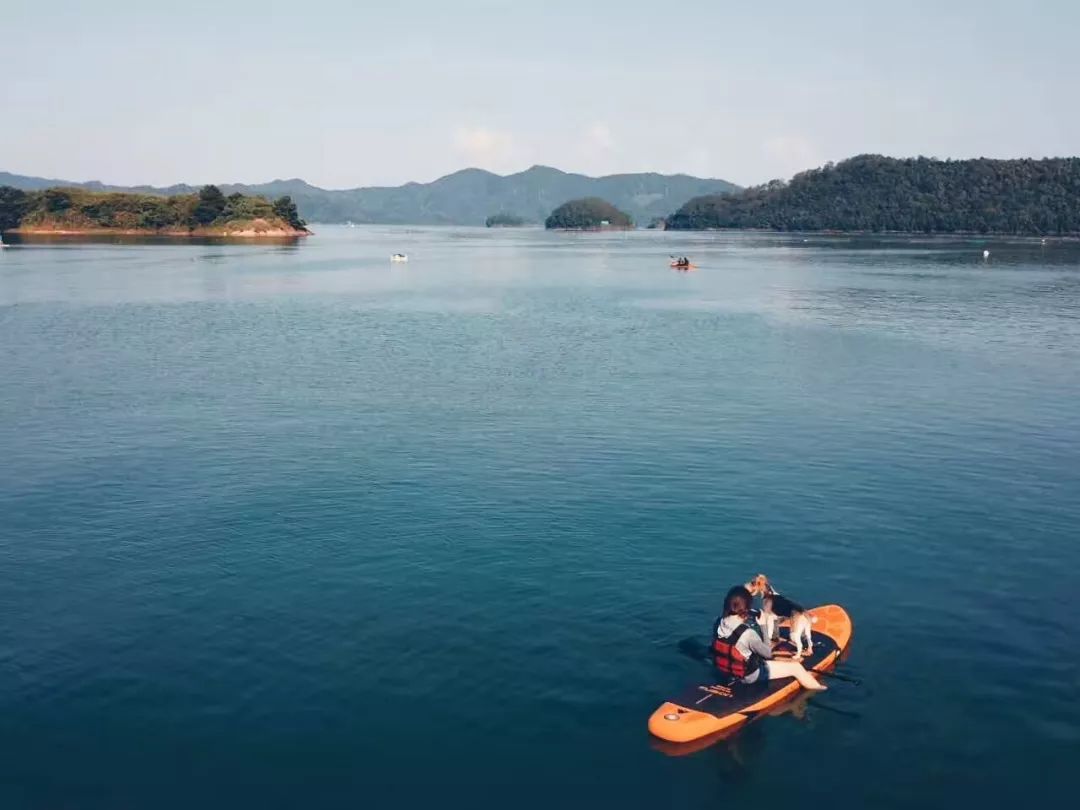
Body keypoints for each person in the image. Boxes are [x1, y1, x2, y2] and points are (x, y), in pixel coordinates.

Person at [712, 585, 827, 691]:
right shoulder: (748, 634)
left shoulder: (718, 622)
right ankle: (819, 688)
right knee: (796, 667)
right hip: (749, 676)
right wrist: (763, 626)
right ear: (747, 608)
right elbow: (768, 654)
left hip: (725, 670)